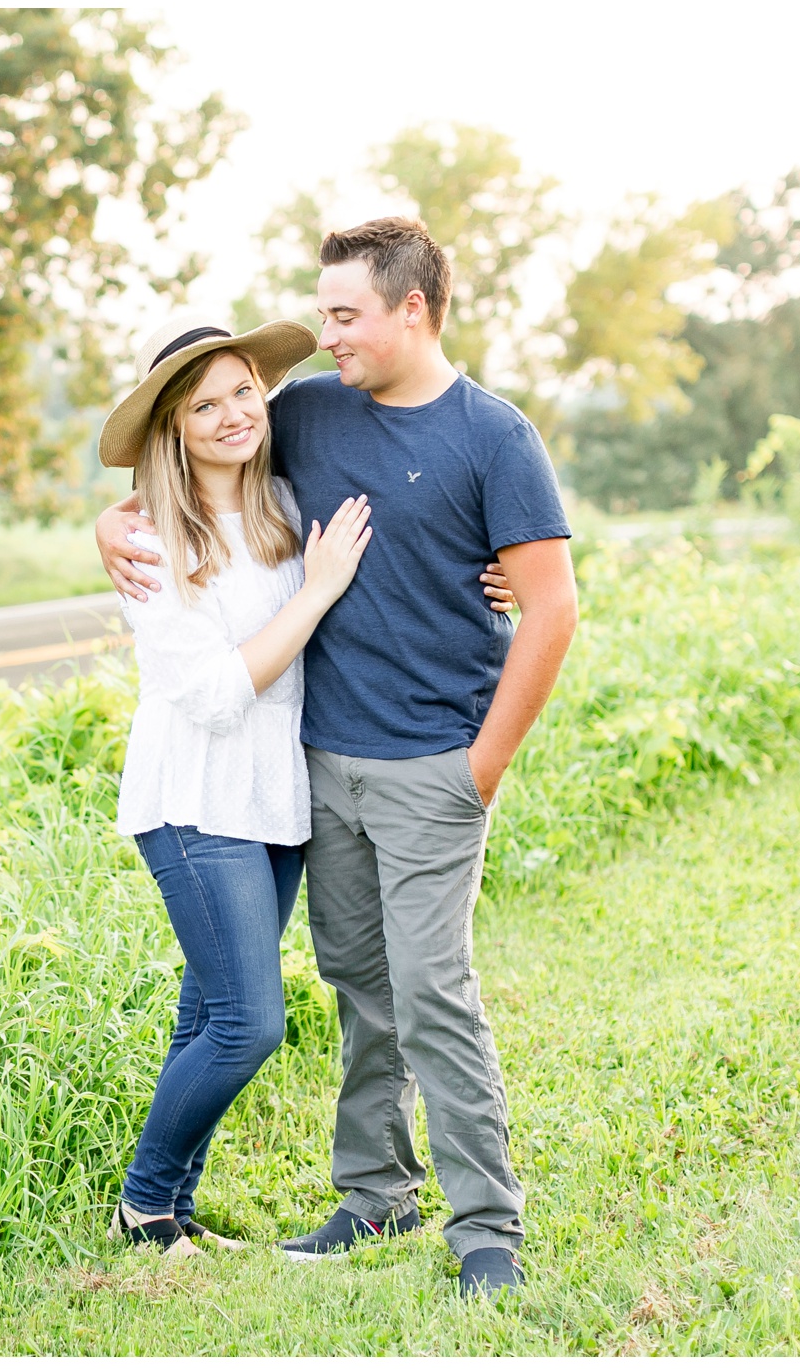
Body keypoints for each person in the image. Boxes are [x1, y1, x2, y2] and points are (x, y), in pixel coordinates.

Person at [98, 218, 578, 1300]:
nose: (325, 337)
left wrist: (481, 765)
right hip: (319, 769)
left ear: (413, 308)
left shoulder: (493, 436)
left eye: (345, 314)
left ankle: (484, 1227)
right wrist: (107, 525)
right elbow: (178, 474)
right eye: (322, 314)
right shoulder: (304, 415)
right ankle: (374, 1190)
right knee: (359, 983)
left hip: (431, 766)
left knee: (430, 991)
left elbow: (550, 606)